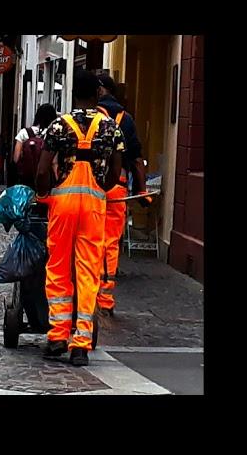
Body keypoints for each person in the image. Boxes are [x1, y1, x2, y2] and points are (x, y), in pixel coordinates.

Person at [35, 69, 125, 366]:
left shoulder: (59, 125)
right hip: (94, 205)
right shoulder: (111, 127)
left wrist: (44, 192)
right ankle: (81, 342)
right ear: (98, 94)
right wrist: (102, 187)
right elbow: (115, 170)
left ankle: (58, 335)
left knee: (58, 267)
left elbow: (42, 169)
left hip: (63, 203)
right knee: (88, 269)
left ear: (73, 93)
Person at [95, 74, 152, 316]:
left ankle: (85, 289)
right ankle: (105, 298)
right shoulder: (126, 120)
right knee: (110, 243)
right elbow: (137, 159)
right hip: (117, 188)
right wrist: (141, 191)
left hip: (90, 186)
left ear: (99, 91)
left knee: (88, 239)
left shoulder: (88, 118)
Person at [13, 103, 57, 189]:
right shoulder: (52, 134)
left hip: (26, 178)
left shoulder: (24, 132)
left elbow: (16, 158)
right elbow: (54, 162)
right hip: (46, 179)